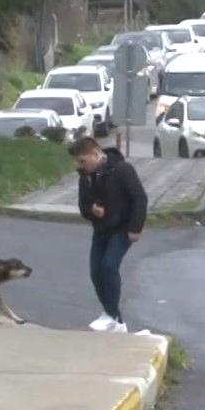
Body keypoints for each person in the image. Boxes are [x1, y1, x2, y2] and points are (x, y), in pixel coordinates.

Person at [69, 137, 148, 333]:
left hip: (123, 228)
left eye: (82, 161)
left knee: (109, 266)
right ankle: (116, 321)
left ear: (96, 154)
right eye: (78, 162)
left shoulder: (122, 170)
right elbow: (83, 206)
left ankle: (111, 315)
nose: (80, 166)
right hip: (101, 230)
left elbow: (140, 198)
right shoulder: (85, 177)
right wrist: (91, 210)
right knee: (96, 272)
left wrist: (135, 228)